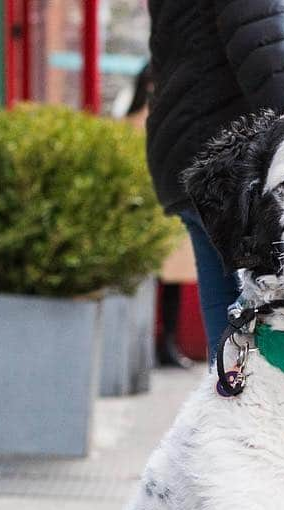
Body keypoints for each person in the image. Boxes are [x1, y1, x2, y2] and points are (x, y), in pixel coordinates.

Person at [145, 0, 284, 355]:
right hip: (264, 168)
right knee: (283, 368)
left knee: (239, 362)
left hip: (227, 145)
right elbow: (262, 18)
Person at [125, 63, 195, 368]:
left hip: (168, 213)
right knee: (146, 284)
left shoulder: (172, 120)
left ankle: (167, 345)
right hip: (144, 211)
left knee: (171, 285)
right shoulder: (134, 122)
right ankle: (148, 347)